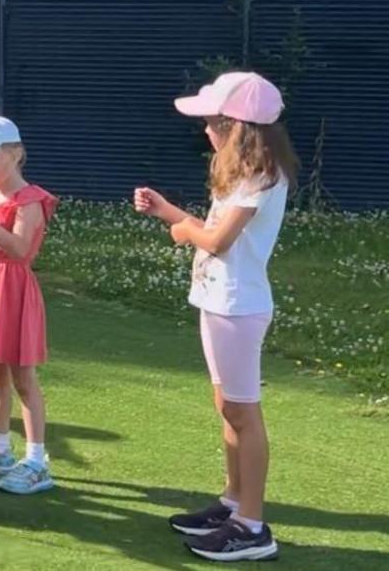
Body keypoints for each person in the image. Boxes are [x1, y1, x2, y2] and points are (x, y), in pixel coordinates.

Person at [133, 71, 297, 563]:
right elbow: (214, 230)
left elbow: (214, 241)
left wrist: (180, 227)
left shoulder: (260, 177)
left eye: (211, 122)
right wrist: (169, 211)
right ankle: (232, 503)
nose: (205, 129)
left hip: (239, 307)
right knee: (228, 408)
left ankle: (251, 525)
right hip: (219, 302)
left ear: (234, 125)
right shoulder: (243, 175)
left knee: (244, 414)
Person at [0, 113, 59, 496]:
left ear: (15, 153)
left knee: (23, 377)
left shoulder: (29, 199)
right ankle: (0, 448)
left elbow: (19, 250)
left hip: (14, 289)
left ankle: (37, 459)